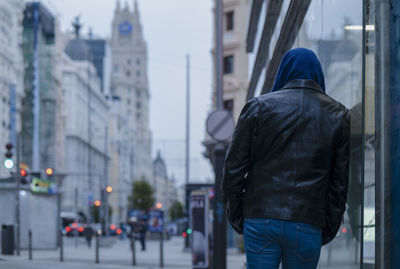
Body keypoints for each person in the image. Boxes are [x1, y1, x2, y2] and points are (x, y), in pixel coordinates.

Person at [222, 48, 350, 269]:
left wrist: (238, 216)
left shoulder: (258, 107)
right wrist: (327, 227)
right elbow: (339, 183)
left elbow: (233, 168)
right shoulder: (338, 115)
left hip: (260, 217)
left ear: (284, 71)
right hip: (308, 221)